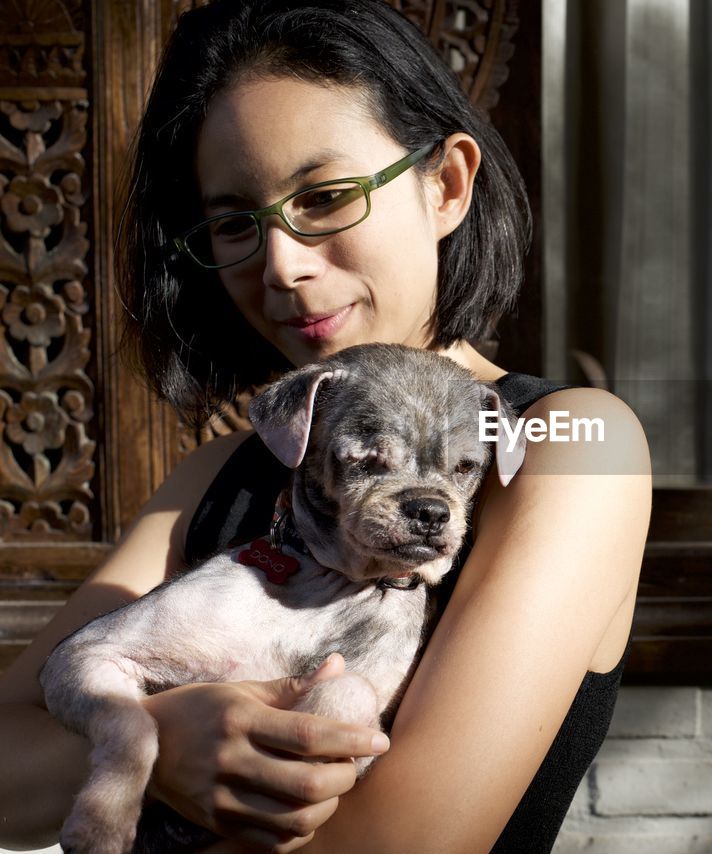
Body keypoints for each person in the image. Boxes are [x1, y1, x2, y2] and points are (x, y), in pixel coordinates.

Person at [0, 0, 650, 850]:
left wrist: (124, 751)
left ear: (447, 184)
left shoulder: (571, 445)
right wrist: (162, 742)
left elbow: (404, 842)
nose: (281, 264)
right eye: (235, 222)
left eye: (327, 197)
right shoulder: (217, 475)